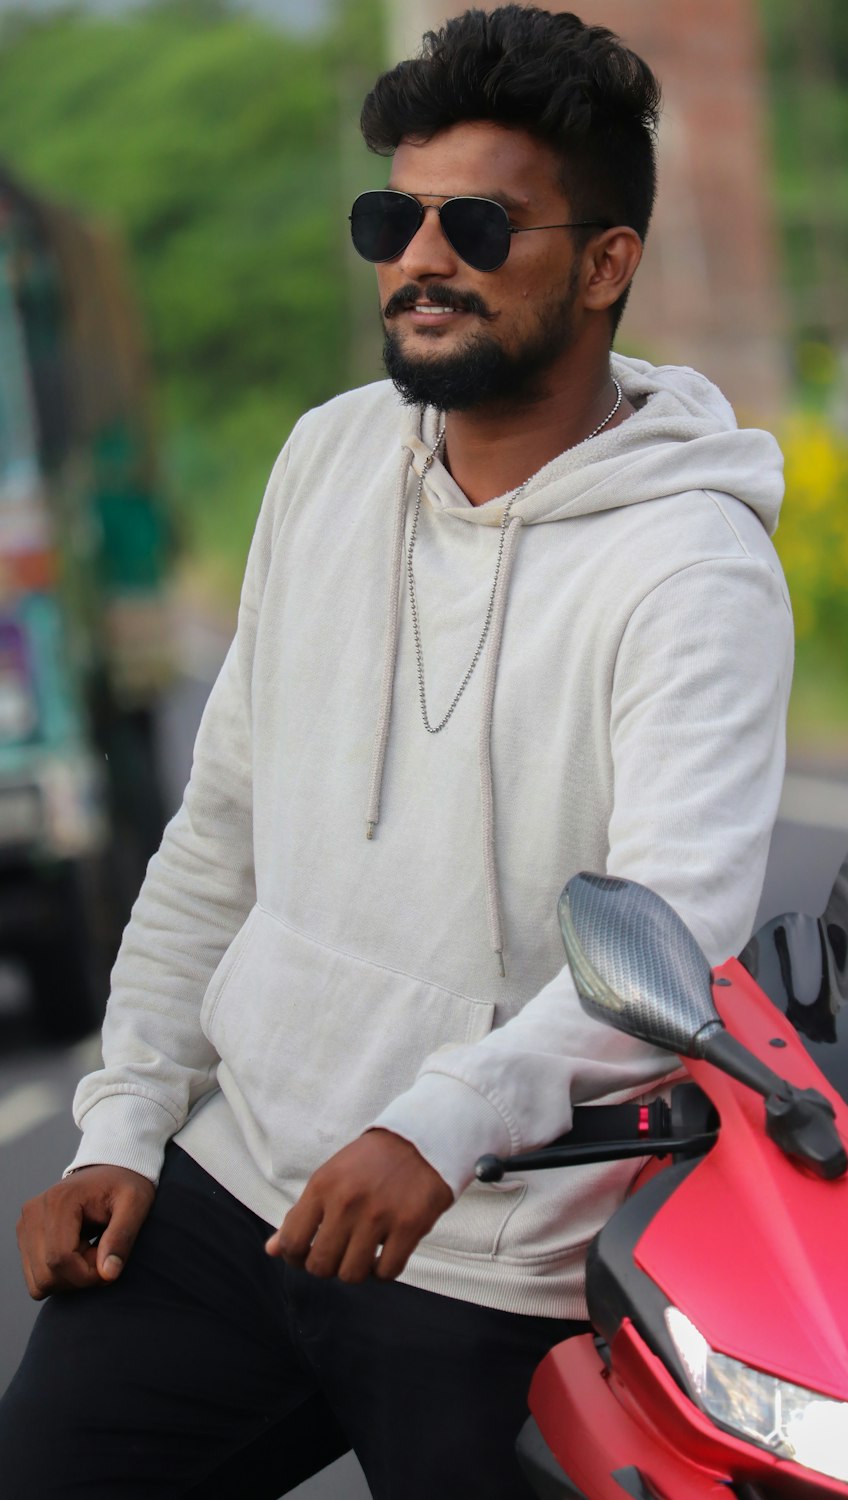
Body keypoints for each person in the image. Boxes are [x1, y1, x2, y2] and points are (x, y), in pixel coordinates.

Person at [0, 6, 793, 1497]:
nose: (421, 258)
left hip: (493, 1258)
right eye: (395, 217)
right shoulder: (326, 460)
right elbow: (217, 829)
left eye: (477, 224)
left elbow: (676, 932)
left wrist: (441, 1128)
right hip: (241, 1194)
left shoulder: (694, 568)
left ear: (605, 262)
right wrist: (124, 1122)